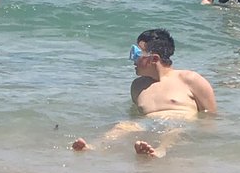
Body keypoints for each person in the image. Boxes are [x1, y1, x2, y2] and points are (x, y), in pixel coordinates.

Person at [72, 28, 216, 157]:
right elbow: (135, 116)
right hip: (149, 123)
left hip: (180, 122)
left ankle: (161, 150)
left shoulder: (189, 79)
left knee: (174, 130)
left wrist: (205, 141)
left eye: (137, 54)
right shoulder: (138, 86)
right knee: (122, 126)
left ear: (154, 59)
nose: (132, 59)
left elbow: (210, 115)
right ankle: (95, 146)